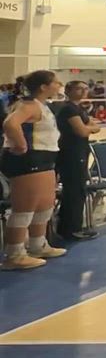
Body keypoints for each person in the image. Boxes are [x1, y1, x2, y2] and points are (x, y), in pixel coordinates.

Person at [1, 71, 68, 270]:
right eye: (55, 82)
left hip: (45, 157)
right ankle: (14, 255)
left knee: (44, 205)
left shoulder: (42, 105)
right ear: (43, 87)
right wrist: (21, 144)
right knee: (25, 208)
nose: (59, 85)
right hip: (29, 159)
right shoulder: (28, 105)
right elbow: (10, 124)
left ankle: (38, 245)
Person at [55, 80, 101, 242]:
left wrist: (89, 127)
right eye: (79, 89)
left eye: (85, 88)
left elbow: (93, 125)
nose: (83, 91)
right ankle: (71, 229)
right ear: (69, 90)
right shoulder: (68, 109)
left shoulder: (78, 109)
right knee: (74, 190)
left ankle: (74, 226)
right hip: (71, 153)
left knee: (79, 189)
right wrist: (89, 128)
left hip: (80, 151)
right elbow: (82, 130)